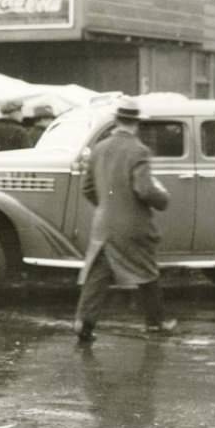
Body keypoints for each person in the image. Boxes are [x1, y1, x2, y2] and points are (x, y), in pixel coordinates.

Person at [73, 100, 176, 343]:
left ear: (117, 121)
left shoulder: (99, 148)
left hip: (103, 224)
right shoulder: (139, 150)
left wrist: (108, 206)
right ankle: (156, 323)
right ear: (136, 124)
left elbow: (87, 187)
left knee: (99, 273)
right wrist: (163, 199)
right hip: (133, 225)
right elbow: (144, 189)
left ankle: (83, 322)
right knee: (147, 271)